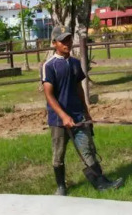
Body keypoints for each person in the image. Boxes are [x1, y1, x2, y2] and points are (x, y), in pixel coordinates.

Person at [42, 29, 123, 196]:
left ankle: (101, 183)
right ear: (54, 43)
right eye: (63, 41)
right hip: (58, 120)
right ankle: (61, 187)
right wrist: (63, 116)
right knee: (58, 155)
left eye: (69, 40)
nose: (67, 43)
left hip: (78, 116)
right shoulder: (49, 66)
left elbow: (79, 89)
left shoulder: (75, 63)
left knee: (88, 150)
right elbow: (49, 95)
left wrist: (86, 112)